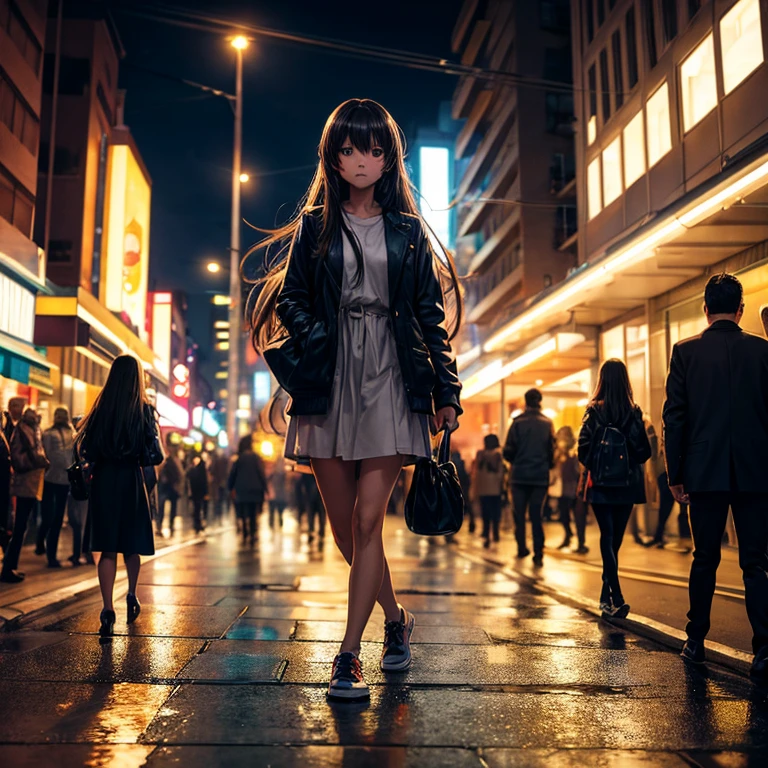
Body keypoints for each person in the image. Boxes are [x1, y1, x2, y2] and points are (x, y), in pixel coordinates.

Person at [244, 99, 462, 700]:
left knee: (370, 520)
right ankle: (396, 619)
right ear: (332, 157)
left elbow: (428, 315)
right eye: (348, 149)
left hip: (392, 373)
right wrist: (319, 334)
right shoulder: (317, 226)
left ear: (389, 156)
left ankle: (347, 655)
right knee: (344, 530)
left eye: (372, 148)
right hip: (330, 377)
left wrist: (444, 388)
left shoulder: (407, 231)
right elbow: (291, 298)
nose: (360, 160)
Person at [662, 273, 768, 678]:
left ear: (705, 309)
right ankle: (764, 650)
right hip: (756, 472)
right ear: (740, 310)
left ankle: (696, 641)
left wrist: (676, 473)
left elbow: (676, 417)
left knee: (704, 557)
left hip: (703, 472)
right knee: (756, 563)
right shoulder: (763, 352)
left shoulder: (685, 352)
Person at [74, 354, 163, 638]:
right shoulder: (145, 411)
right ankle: (132, 594)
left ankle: (106, 607)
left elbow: (86, 449)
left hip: (104, 481)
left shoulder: (100, 409)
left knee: (107, 548)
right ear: (137, 377)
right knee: (131, 544)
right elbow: (154, 456)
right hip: (131, 480)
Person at [578, 359, 651, 618]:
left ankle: (607, 597)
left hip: (600, 485)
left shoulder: (593, 411)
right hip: (627, 485)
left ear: (602, 380)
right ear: (625, 380)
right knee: (614, 540)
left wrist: (598, 464)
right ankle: (615, 596)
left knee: (607, 538)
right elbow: (644, 452)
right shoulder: (634, 412)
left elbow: (582, 449)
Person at [503, 389, 555, 566]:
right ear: (540, 401)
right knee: (536, 515)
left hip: (519, 476)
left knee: (519, 514)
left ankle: (521, 547)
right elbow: (551, 451)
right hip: (540, 476)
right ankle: (538, 552)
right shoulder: (547, 423)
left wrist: (517, 460)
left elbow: (508, 451)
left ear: (525, 401)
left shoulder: (517, 423)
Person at [0, 407, 48, 583]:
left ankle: (10, 565)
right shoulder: (26, 429)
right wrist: (40, 461)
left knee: (20, 527)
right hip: (25, 483)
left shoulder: (26, 428)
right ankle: (8, 567)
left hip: (28, 482)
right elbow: (27, 456)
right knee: (19, 527)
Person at [37, 407, 75, 568]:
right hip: (57, 479)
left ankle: (47, 550)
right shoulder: (68, 434)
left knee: (52, 516)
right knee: (53, 517)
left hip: (54, 479)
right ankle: (45, 548)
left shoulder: (49, 433)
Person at [228, 436, 268, 545]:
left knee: (244, 512)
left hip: (242, 490)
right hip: (255, 490)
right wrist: (265, 489)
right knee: (253, 513)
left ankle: (245, 532)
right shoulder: (256, 458)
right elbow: (261, 473)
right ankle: (253, 533)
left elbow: (233, 474)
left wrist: (230, 487)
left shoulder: (239, 458)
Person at [554, 426, 586, 552]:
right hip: (562, 489)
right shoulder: (559, 453)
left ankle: (581, 543)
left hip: (576, 488)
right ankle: (568, 536)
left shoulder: (576, 452)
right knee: (563, 515)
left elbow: (578, 470)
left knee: (579, 517)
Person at [472, 435, 505, 549]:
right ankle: (495, 533)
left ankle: (486, 532)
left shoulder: (480, 454)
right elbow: (500, 473)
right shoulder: (498, 456)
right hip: (495, 488)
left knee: (485, 512)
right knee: (495, 512)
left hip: (483, 488)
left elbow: (477, 471)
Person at [157, 449, 184, 535]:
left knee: (162, 508)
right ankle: (169, 526)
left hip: (166, 488)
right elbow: (181, 475)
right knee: (171, 508)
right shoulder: (176, 462)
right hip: (171, 488)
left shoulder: (164, 462)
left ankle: (160, 526)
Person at [186, 455, 209, 534]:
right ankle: (197, 524)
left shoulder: (200, 469)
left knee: (199, 509)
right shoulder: (194, 469)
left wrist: (206, 493)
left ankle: (198, 524)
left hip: (199, 492)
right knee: (197, 509)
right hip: (195, 492)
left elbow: (204, 481)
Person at [209, 450, 230, 520]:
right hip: (223, 481)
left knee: (218, 498)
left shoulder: (216, 462)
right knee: (223, 497)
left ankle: (218, 512)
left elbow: (212, 471)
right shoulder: (226, 462)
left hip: (218, 482)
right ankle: (223, 511)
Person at [268, 460, 288, 529]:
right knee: (276, 511)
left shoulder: (275, 474)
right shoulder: (280, 474)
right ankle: (276, 523)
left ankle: (272, 524)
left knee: (273, 511)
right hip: (277, 495)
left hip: (275, 495)